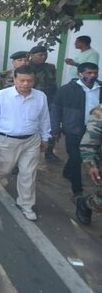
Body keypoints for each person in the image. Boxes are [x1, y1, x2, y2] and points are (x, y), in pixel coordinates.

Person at [0, 65, 51, 221]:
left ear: (34, 81)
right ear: (14, 79)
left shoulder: (40, 97)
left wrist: (46, 137)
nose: (26, 84)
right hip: (6, 139)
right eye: (22, 80)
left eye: (30, 81)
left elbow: (44, 118)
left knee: (28, 172)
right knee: (4, 168)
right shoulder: (1, 95)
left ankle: (26, 205)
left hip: (32, 140)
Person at [51, 63, 101, 225]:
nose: (92, 75)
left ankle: (68, 172)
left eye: (95, 72)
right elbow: (56, 109)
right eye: (89, 72)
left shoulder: (100, 88)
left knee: (76, 160)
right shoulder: (67, 90)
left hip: (96, 132)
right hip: (74, 130)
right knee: (77, 158)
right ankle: (77, 192)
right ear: (80, 74)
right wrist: (55, 129)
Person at [29, 45, 59, 162]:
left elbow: (54, 85)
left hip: (49, 102)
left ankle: (49, 152)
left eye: (45, 55)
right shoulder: (25, 67)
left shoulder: (50, 67)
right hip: (31, 102)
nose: (44, 57)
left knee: (51, 127)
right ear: (31, 55)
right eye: (40, 55)